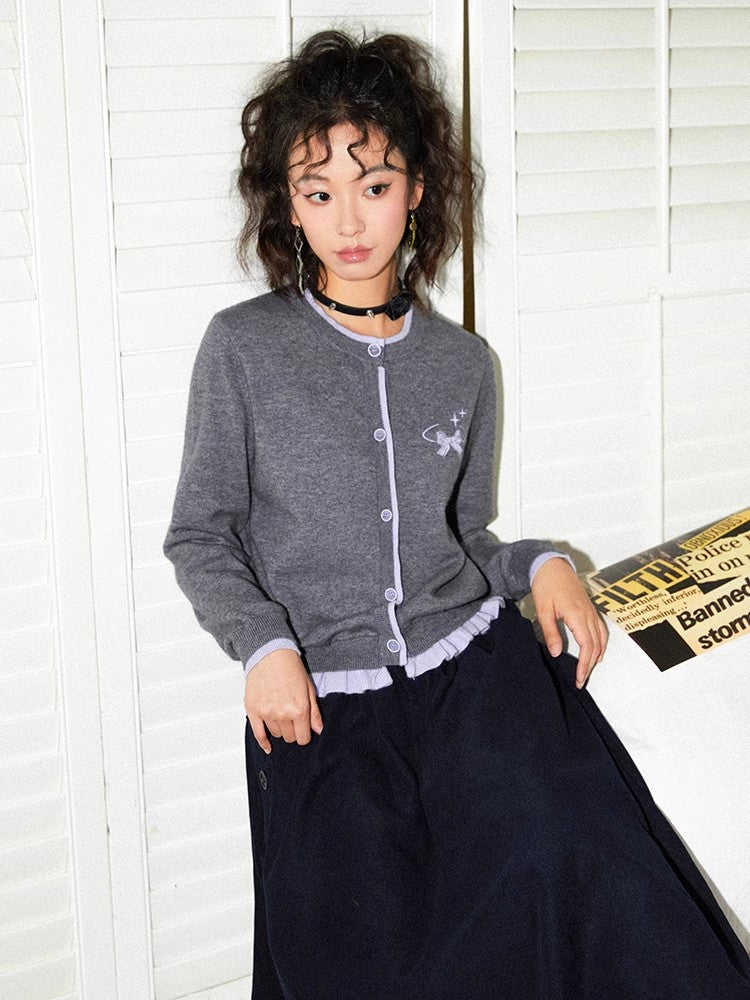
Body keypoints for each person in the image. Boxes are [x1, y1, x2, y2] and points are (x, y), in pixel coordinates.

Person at [162, 29, 750, 1000]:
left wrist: (541, 563)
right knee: (360, 954)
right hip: (326, 703)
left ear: (418, 189)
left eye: (374, 185)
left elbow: (467, 539)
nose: (350, 219)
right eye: (319, 192)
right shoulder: (243, 350)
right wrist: (263, 644)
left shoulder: (463, 364)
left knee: (591, 867)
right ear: (289, 204)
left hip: (474, 678)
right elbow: (200, 533)